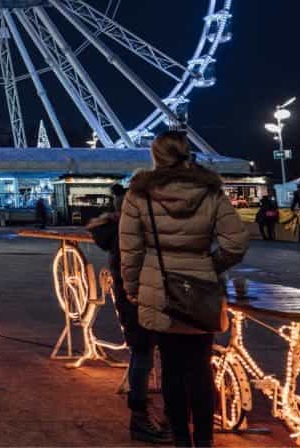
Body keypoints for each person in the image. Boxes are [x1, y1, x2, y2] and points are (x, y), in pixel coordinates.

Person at [120, 131, 248, 448]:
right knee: (201, 370)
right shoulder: (210, 192)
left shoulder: (139, 194)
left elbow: (130, 250)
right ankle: (204, 441)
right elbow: (236, 242)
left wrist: (133, 286)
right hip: (201, 291)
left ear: (155, 155)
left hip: (159, 290)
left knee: (171, 371)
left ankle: (181, 440)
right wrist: (208, 266)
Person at [88, 184, 170, 444]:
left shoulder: (115, 231)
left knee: (142, 354)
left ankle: (142, 415)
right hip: (142, 299)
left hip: (131, 300)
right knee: (150, 356)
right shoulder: (132, 233)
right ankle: (145, 417)